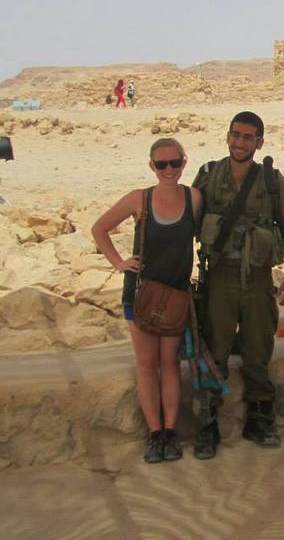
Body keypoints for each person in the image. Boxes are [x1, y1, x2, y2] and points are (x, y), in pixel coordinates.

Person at [192, 111, 284, 459]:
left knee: (258, 351)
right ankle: (207, 425)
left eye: (248, 137)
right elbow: (188, 223)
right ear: (228, 137)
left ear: (260, 143)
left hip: (257, 278)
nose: (240, 143)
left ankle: (259, 418)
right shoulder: (209, 176)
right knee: (215, 353)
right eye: (235, 135)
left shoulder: (271, 180)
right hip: (219, 277)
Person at [92, 138, 202, 463]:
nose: (169, 170)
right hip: (140, 294)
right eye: (161, 164)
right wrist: (119, 263)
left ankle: (170, 433)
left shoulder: (193, 198)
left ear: (184, 162)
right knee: (146, 364)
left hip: (175, 294)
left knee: (169, 364)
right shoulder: (138, 200)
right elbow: (99, 228)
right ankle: (154, 435)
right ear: (151, 166)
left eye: (175, 163)